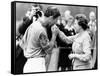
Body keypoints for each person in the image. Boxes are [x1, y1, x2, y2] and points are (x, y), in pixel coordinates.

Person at [19, 6, 60, 73]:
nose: (56, 23)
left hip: (28, 64)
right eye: (56, 20)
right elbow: (49, 50)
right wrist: (54, 35)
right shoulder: (41, 30)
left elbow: (22, 44)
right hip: (37, 65)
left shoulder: (32, 25)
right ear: (51, 18)